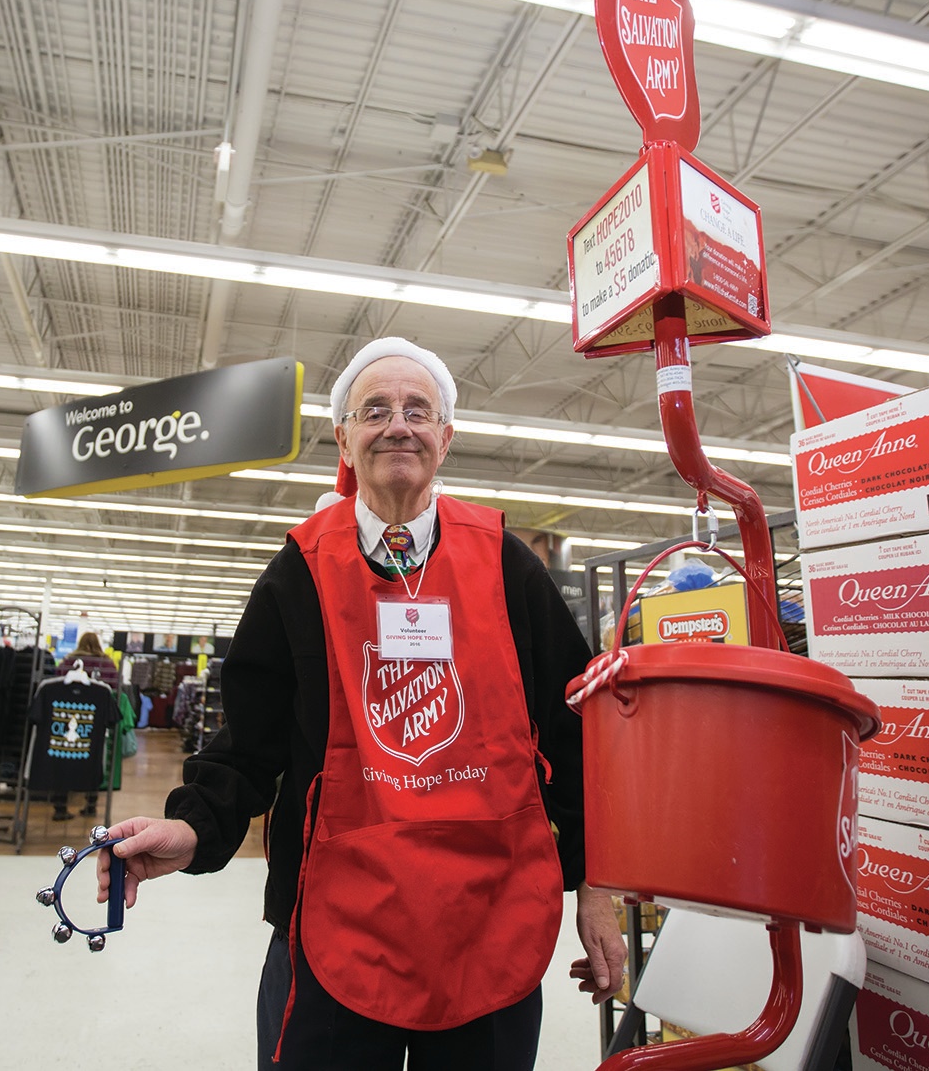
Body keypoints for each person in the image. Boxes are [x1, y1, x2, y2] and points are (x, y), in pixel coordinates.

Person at [101, 336, 625, 1070]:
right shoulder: (300, 572)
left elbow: (578, 732)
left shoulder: (509, 564)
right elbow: (249, 741)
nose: (398, 424)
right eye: (374, 409)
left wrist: (593, 883)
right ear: (344, 437)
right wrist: (193, 827)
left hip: (493, 919)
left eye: (419, 409)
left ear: (447, 436)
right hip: (335, 924)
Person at [51, 631, 122, 822]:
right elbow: (114, 690)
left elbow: (55, 684)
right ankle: (90, 805)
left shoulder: (68, 661)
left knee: (63, 760)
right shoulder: (107, 663)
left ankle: (60, 806)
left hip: (66, 719)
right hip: (95, 723)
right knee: (93, 761)